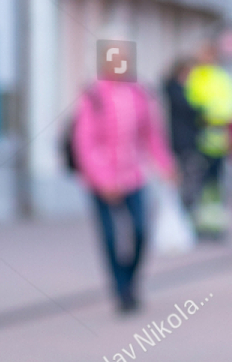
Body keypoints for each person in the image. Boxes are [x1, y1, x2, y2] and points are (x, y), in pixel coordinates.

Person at [73, 75, 177, 312]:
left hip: (134, 176)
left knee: (140, 230)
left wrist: (165, 164)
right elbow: (85, 142)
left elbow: (151, 134)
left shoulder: (139, 93)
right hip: (101, 180)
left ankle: (131, 281)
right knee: (110, 236)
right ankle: (120, 289)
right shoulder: (94, 94)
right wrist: (104, 180)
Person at [184, 43, 232, 237]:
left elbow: (231, 107)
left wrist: (214, 117)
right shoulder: (196, 77)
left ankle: (214, 223)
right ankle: (201, 223)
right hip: (198, 139)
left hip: (219, 140)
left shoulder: (222, 78)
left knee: (216, 184)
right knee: (199, 183)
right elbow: (189, 105)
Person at [163, 58, 205, 213]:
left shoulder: (178, 90)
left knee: (188, 177)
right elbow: (190, 111)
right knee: (187, 178)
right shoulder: (176, 91)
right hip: (182, 142)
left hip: (184, 141)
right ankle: (185, 210)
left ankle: (185, 209)